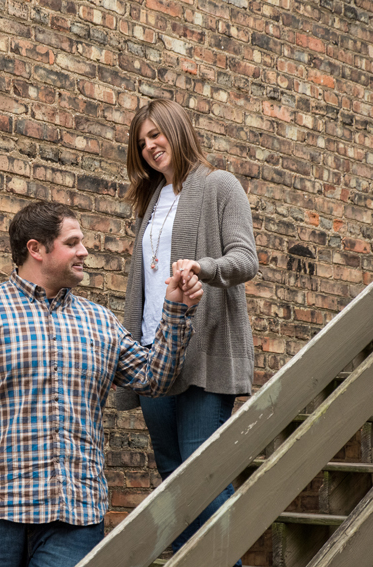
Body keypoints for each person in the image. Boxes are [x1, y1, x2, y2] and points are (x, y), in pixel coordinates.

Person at [0, 201, 204, 567]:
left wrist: (176, 310)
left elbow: (153, 378)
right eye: (72, 243)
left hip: (75, 515)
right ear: (36, 249)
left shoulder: (100, 322)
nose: (84, 251)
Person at [120, 98, 258, 561]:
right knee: (171, 474)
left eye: (156, 135)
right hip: (156, 355)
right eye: (142, 143)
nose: (149, 147)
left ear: (178, 130)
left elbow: (246, 260)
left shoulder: (220, 185)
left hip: (204, 353)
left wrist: (203, 265)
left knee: (201, 474)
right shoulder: (152, 201)